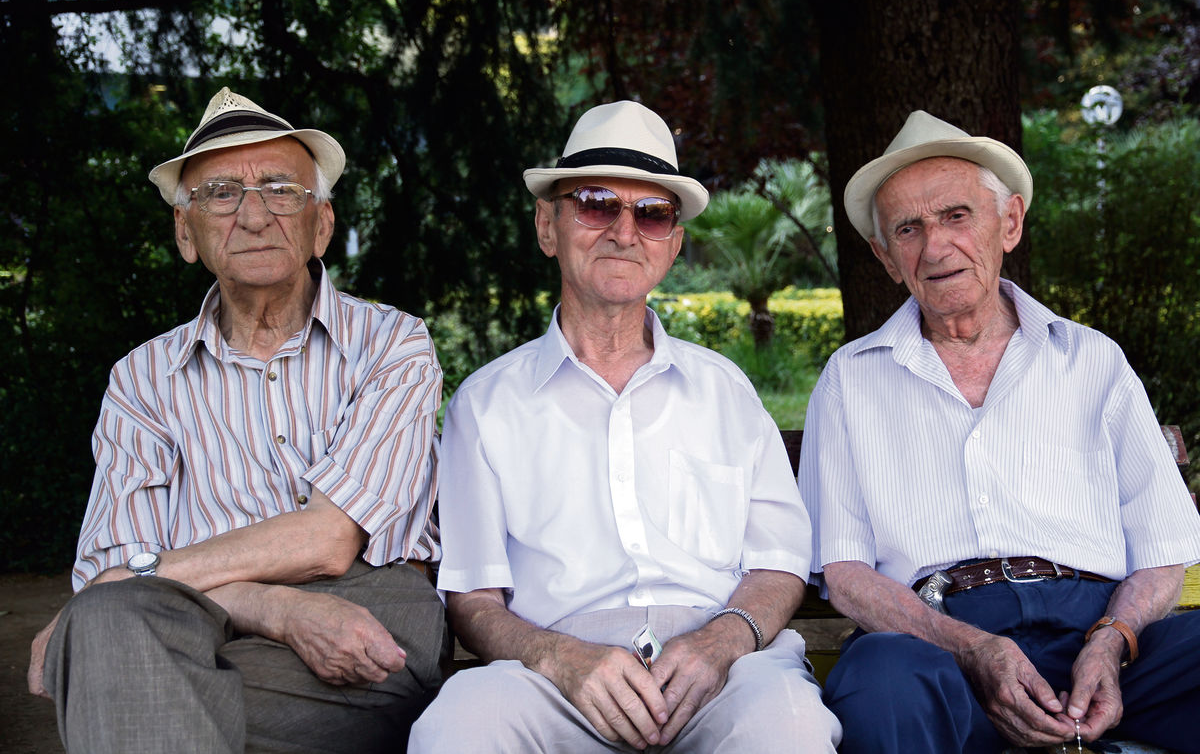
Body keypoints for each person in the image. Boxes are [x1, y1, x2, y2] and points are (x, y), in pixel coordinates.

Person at [408, 100, 841, 752]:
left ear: (673, 243)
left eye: (652, 213)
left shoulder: (726, 391)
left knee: (789, 726)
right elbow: (474, 596)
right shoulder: (486, 404)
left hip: (723, 673)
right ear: (548, 226)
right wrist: (558, 657)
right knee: (459, 728)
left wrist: (720, 641)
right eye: (595, 204)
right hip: (554, 683)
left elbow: (780, 566)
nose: (624, 231)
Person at [26, 87, 446, 753]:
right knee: (113, 629)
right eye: (220, 194)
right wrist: (274, 606)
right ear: (184, 232)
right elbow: (111, 574)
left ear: (321, 225)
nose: (252, 216)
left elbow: (329, 539)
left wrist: (138, 583)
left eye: (280, 190)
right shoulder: (141, 378)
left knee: (121, 672)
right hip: (191, 618)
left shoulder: (393, 344)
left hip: (364, 615)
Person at [798, 109, 1200, 752]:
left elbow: (1161, 547)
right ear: (885, 256)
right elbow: (845, 572)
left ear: (1009, 223)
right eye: (908, 229)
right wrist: (971, 647)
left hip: (1099, 634)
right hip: (938, 641)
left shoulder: (1092, 360)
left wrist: (1112, 640)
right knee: (879, 681)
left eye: (956, 216)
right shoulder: (851, 380)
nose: (935, 247)